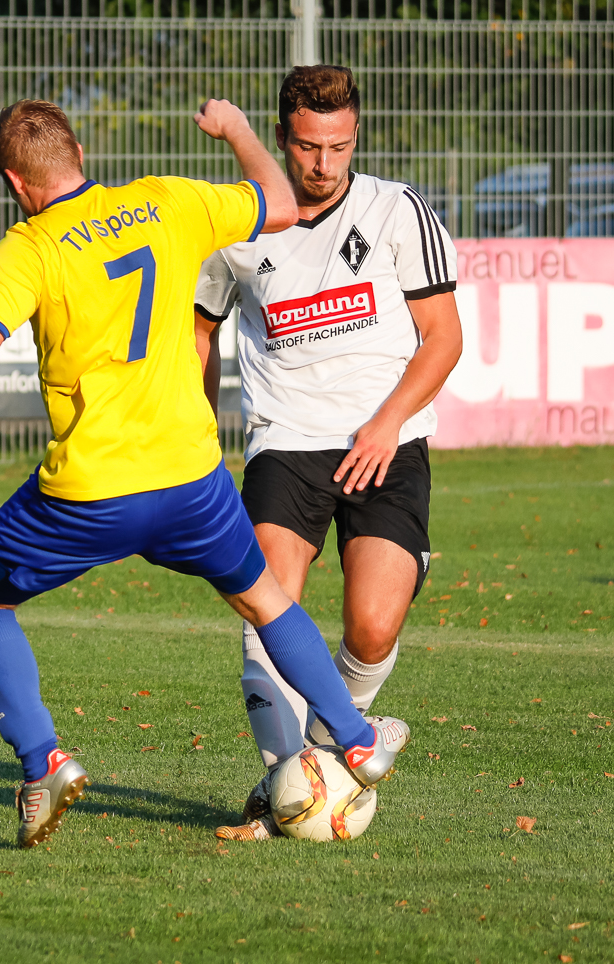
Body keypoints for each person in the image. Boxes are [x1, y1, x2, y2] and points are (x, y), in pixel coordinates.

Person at [0, 97, 411, 848]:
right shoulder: (165, 200)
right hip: (192, 480)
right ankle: (357, 739)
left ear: (14, 181)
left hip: (93, 491)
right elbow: (283, 204)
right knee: (265, 600)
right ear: (80, 156)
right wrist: (236, 130)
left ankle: (43, 763)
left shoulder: (30, 246)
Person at [193, 66, 462, 841]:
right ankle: (288, 781)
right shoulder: (233, 228)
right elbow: (199, 334)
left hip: (387, 444)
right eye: (310, 147)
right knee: (264, 605)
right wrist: (200, 435)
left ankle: (317, 754)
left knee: (372, 628)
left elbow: (444, 338)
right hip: (284, 443)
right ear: (282, 138)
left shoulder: (397, 209)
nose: (324, 163)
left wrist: (387, 423)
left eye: (340, 146)